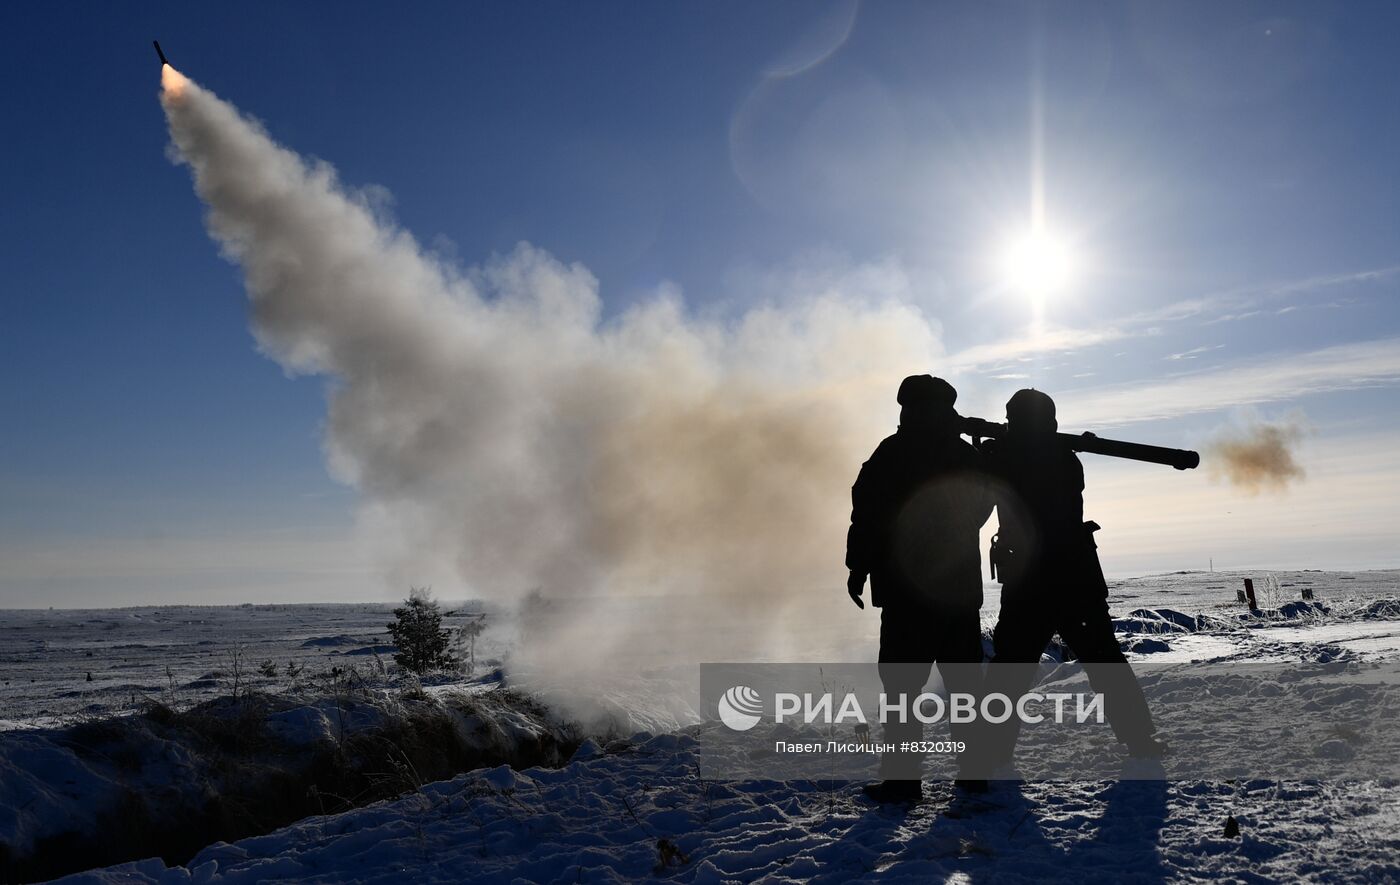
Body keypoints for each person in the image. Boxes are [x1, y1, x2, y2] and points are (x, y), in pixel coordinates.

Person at [980, 389, 1164, 767]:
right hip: (1072, 576)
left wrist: (986, 451)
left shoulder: (1009, 461)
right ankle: (1140, 740)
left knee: (1013, 667)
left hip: (1033, 580)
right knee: (1103, 660)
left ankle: (991, 753)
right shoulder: (1063, 459)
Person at [846, 374, 994, 803]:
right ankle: (974, 773)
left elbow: (867, 516)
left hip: (905, 593)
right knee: (964, 687)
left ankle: (903, 781)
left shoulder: (891, 454)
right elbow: (983, 509)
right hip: (957, 591)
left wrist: (859, 568)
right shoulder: (966, 455)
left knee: (902, 690)